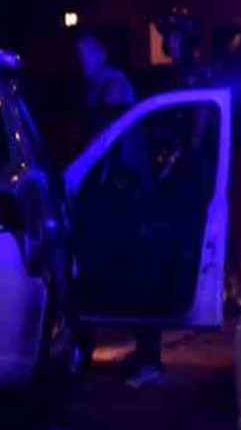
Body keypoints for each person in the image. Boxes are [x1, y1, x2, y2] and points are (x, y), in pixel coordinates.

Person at [75, 31, 164, 388]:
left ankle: (149, 359)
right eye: (78, 52)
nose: (81, 59)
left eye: (87, 51)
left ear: (103, 52)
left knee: (134, 278)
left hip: (124, 197)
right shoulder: (97, 88)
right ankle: (87, 351)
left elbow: (111, 143)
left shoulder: (114, 86)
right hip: (112, 196)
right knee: (98, 276)